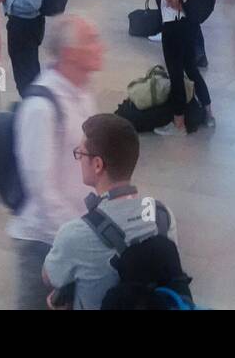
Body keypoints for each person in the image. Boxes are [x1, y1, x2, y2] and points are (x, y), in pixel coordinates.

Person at [7, 16, 104, 310]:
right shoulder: (41, 107)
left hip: (75, 234)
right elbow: (42, 189)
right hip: (45, 243)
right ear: (69, 53)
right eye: (92, 40)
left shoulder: (82, 93)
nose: (101, 47)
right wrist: (79, 236)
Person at [42, 113, 174, 310]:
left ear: (97, 164)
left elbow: (49, 276)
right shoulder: (162, 215)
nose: (78, 158)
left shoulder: (75, 233)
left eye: (80, 153)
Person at [152, 0, 212, 135]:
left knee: (176, 73)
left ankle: (178, 123)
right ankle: (208, 111)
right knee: (191, 68)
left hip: (173, 26)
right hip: (188, 25)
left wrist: (174, 0)